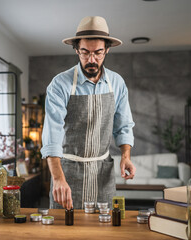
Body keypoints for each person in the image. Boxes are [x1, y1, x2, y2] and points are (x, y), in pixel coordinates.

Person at [41, 16, 135, 210]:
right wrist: (57, 178)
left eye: (98, 53)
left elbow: (123, 125)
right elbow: (52, 134)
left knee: (104, 228)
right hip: (67, 172)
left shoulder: (117, 83)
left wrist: (126, 155)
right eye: (85, 53)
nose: (91, 60)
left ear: (107, 49)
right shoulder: (60, 84)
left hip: (103, 173)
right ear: (76, 49)